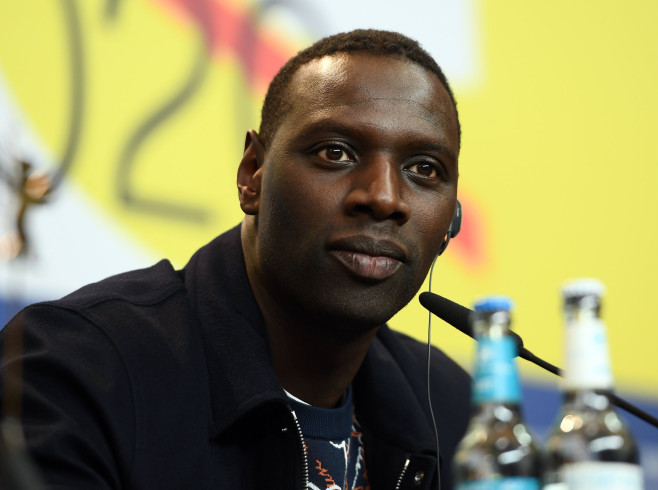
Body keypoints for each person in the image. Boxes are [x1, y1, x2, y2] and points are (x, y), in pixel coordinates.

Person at [0, 29, 471, 489]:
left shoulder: (454, 410)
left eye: (423, 169)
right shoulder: (76, 372)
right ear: (253, 176)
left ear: (450, 221)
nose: (385, 198)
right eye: (336, 152)